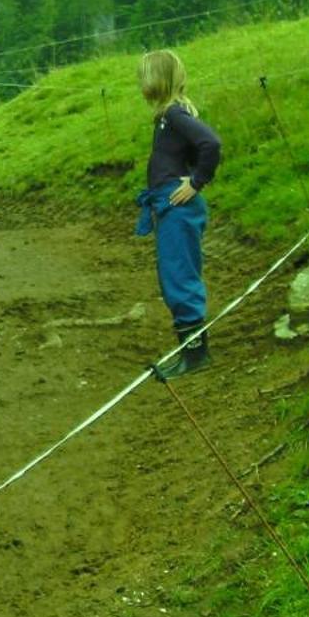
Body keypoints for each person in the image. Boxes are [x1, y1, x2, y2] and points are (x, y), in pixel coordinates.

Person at [134, 48, 221, 377]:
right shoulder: (166, 117)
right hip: (169, 206)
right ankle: (190, 350)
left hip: (178, 207)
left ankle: (196, 356)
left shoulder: (175, 116)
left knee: (179, 273)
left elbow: (211, 143)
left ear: (158, 79)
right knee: (174, 272)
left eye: (144, 77)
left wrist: (197, 181)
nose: (141, 85)